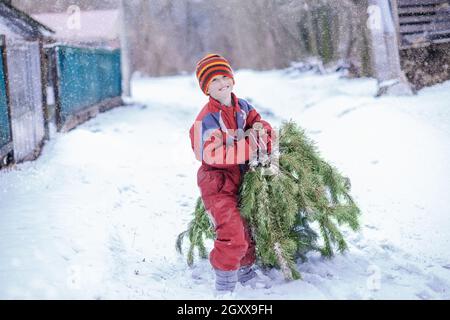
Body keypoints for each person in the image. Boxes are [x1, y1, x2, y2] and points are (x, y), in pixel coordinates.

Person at [189, 53, 273, 293]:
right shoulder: (206, 120)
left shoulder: (243, 107)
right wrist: (251, 146)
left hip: (241, 179)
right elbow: (213, 155)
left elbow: (261, 125)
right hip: (217, 184)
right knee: (232, 232)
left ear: (232, 79)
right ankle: (224, 285)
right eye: (214, 80)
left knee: (246, 229)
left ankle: (245, 271)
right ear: (206, 88)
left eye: (225, 76)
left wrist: (264, 137)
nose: (221, 83)